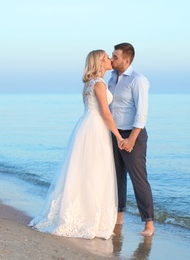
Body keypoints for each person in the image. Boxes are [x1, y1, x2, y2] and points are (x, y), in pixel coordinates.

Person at [29, 50, 124, 239]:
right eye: (106, 57)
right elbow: (105, 113)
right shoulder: (98, 83)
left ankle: (84, 213)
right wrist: (119, 136)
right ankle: (88, 217)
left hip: (88, 126)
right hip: (95, 129)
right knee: (94, 173)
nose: (110, 60)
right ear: (99, 62)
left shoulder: (91, 83)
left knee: (86, 172)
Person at [108, 42, 155, 236]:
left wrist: (131, 140)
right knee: (117, 178)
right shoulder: (111, 77)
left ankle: (149, 224)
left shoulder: (138, 80)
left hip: (132, 135)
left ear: (127, 60)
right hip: (114, 134)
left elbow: (141, 114)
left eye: (115, 57)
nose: (112, 59)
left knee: (138, 179)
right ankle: (119, 218)